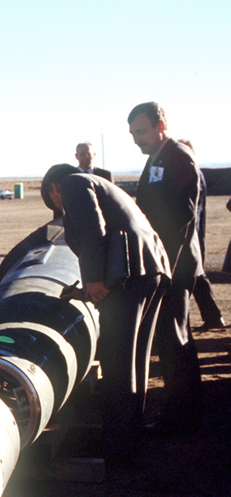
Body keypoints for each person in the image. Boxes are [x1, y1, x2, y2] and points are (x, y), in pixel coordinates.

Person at [41, 165, 170, 462]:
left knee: (116, 359)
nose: (61, 210)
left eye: (56, 205)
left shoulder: (73, 183)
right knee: (134, 358)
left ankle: (117, 447)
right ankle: (129, 436)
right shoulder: (99, 184)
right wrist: (83, 290)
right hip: (149, 270)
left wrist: (94, 279)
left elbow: (92, 229)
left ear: (54, 189)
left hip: (131, 276)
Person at [128, 102, 204, 434]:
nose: (136, 139)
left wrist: (163, 268)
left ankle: (183, 416)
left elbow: (182, 220)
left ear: (161, 124)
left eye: (141, 131)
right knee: (170, 337)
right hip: (164, 262)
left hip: (174, 265)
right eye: (132, 134)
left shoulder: (177, 157)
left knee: (175, 337)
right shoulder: (157, 157)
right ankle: (180, 411)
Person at [176, 139, 225, 330]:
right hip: (193, 238)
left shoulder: (193, 176)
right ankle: (213, 317)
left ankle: (192, 321)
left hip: (191, 237)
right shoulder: (196, 175)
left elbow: (193, 211)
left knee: (190, 278)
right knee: (197, 277)